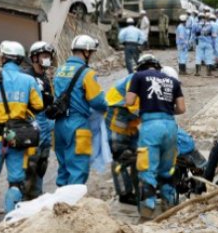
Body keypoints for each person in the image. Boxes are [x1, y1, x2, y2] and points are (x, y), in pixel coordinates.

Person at [0, 41, 44, 233]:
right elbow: (38, 106)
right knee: (15, 181)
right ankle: (10, 224)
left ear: (3, 58)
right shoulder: (28, 81)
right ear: (20, 60)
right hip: (17, 138)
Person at [125, 55, 186, 218]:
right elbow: (181, 108)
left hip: (151, 126)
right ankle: (169, 202)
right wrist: (164, 109)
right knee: (167, 168)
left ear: (142, 67)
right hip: (170, 126)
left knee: (147, 167)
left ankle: (148, 205)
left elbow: (129, 101)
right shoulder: (171, 80)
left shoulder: (138, 76)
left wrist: (146, 107)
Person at [53, 35, 107, 186]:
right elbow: (97, 101)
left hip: (59, 124)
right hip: (77, 126)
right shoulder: (87, 73)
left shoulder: (60, 70)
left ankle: (60, 204)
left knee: (63, 168)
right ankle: (72, 206)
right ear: (87, 52)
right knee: (78, 169)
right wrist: (108, 105)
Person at [23, 41, 56, 200]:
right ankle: (24, 198)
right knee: (31, 163)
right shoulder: (27, 77)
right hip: (31, 122)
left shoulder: (45, 77)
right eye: (44, 55)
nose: (47, 59)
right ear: (34, 58)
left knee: (42, 162)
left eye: (49, 56)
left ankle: (36, 195)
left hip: (44, 123)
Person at [104, 72, 140, 204]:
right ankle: (124, 194)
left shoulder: (145, 80)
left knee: (139, 152)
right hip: (116, 117)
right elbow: (134, 106)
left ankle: (139, 188)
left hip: (129, 120)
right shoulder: (135, 80)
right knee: (120, 156)